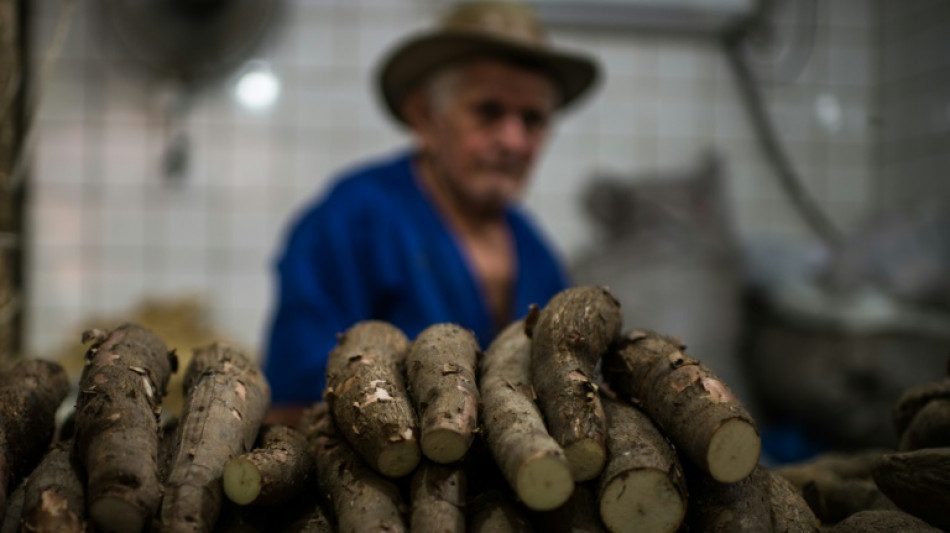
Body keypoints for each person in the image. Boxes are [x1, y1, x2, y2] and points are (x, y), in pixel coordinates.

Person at [263, 1, 601, 423]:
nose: (513, 141)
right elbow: (292, 397)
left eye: (532, 120)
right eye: (488, 111)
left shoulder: (534, 249)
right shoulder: (352, 220)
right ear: (425, 116)